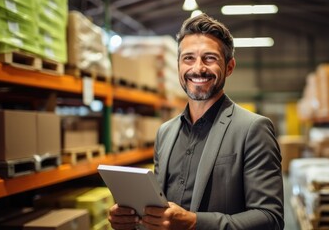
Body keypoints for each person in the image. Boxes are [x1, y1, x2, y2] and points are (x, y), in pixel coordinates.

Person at [108, 13, 284, 230]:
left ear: (229, 67)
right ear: (179, 66)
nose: (198, 68)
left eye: (209, 58)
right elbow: (160, 211)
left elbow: (270, 218)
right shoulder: (165, 133)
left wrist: (194, 223)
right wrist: (132, 220)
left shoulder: (253, 129)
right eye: (188, 58)